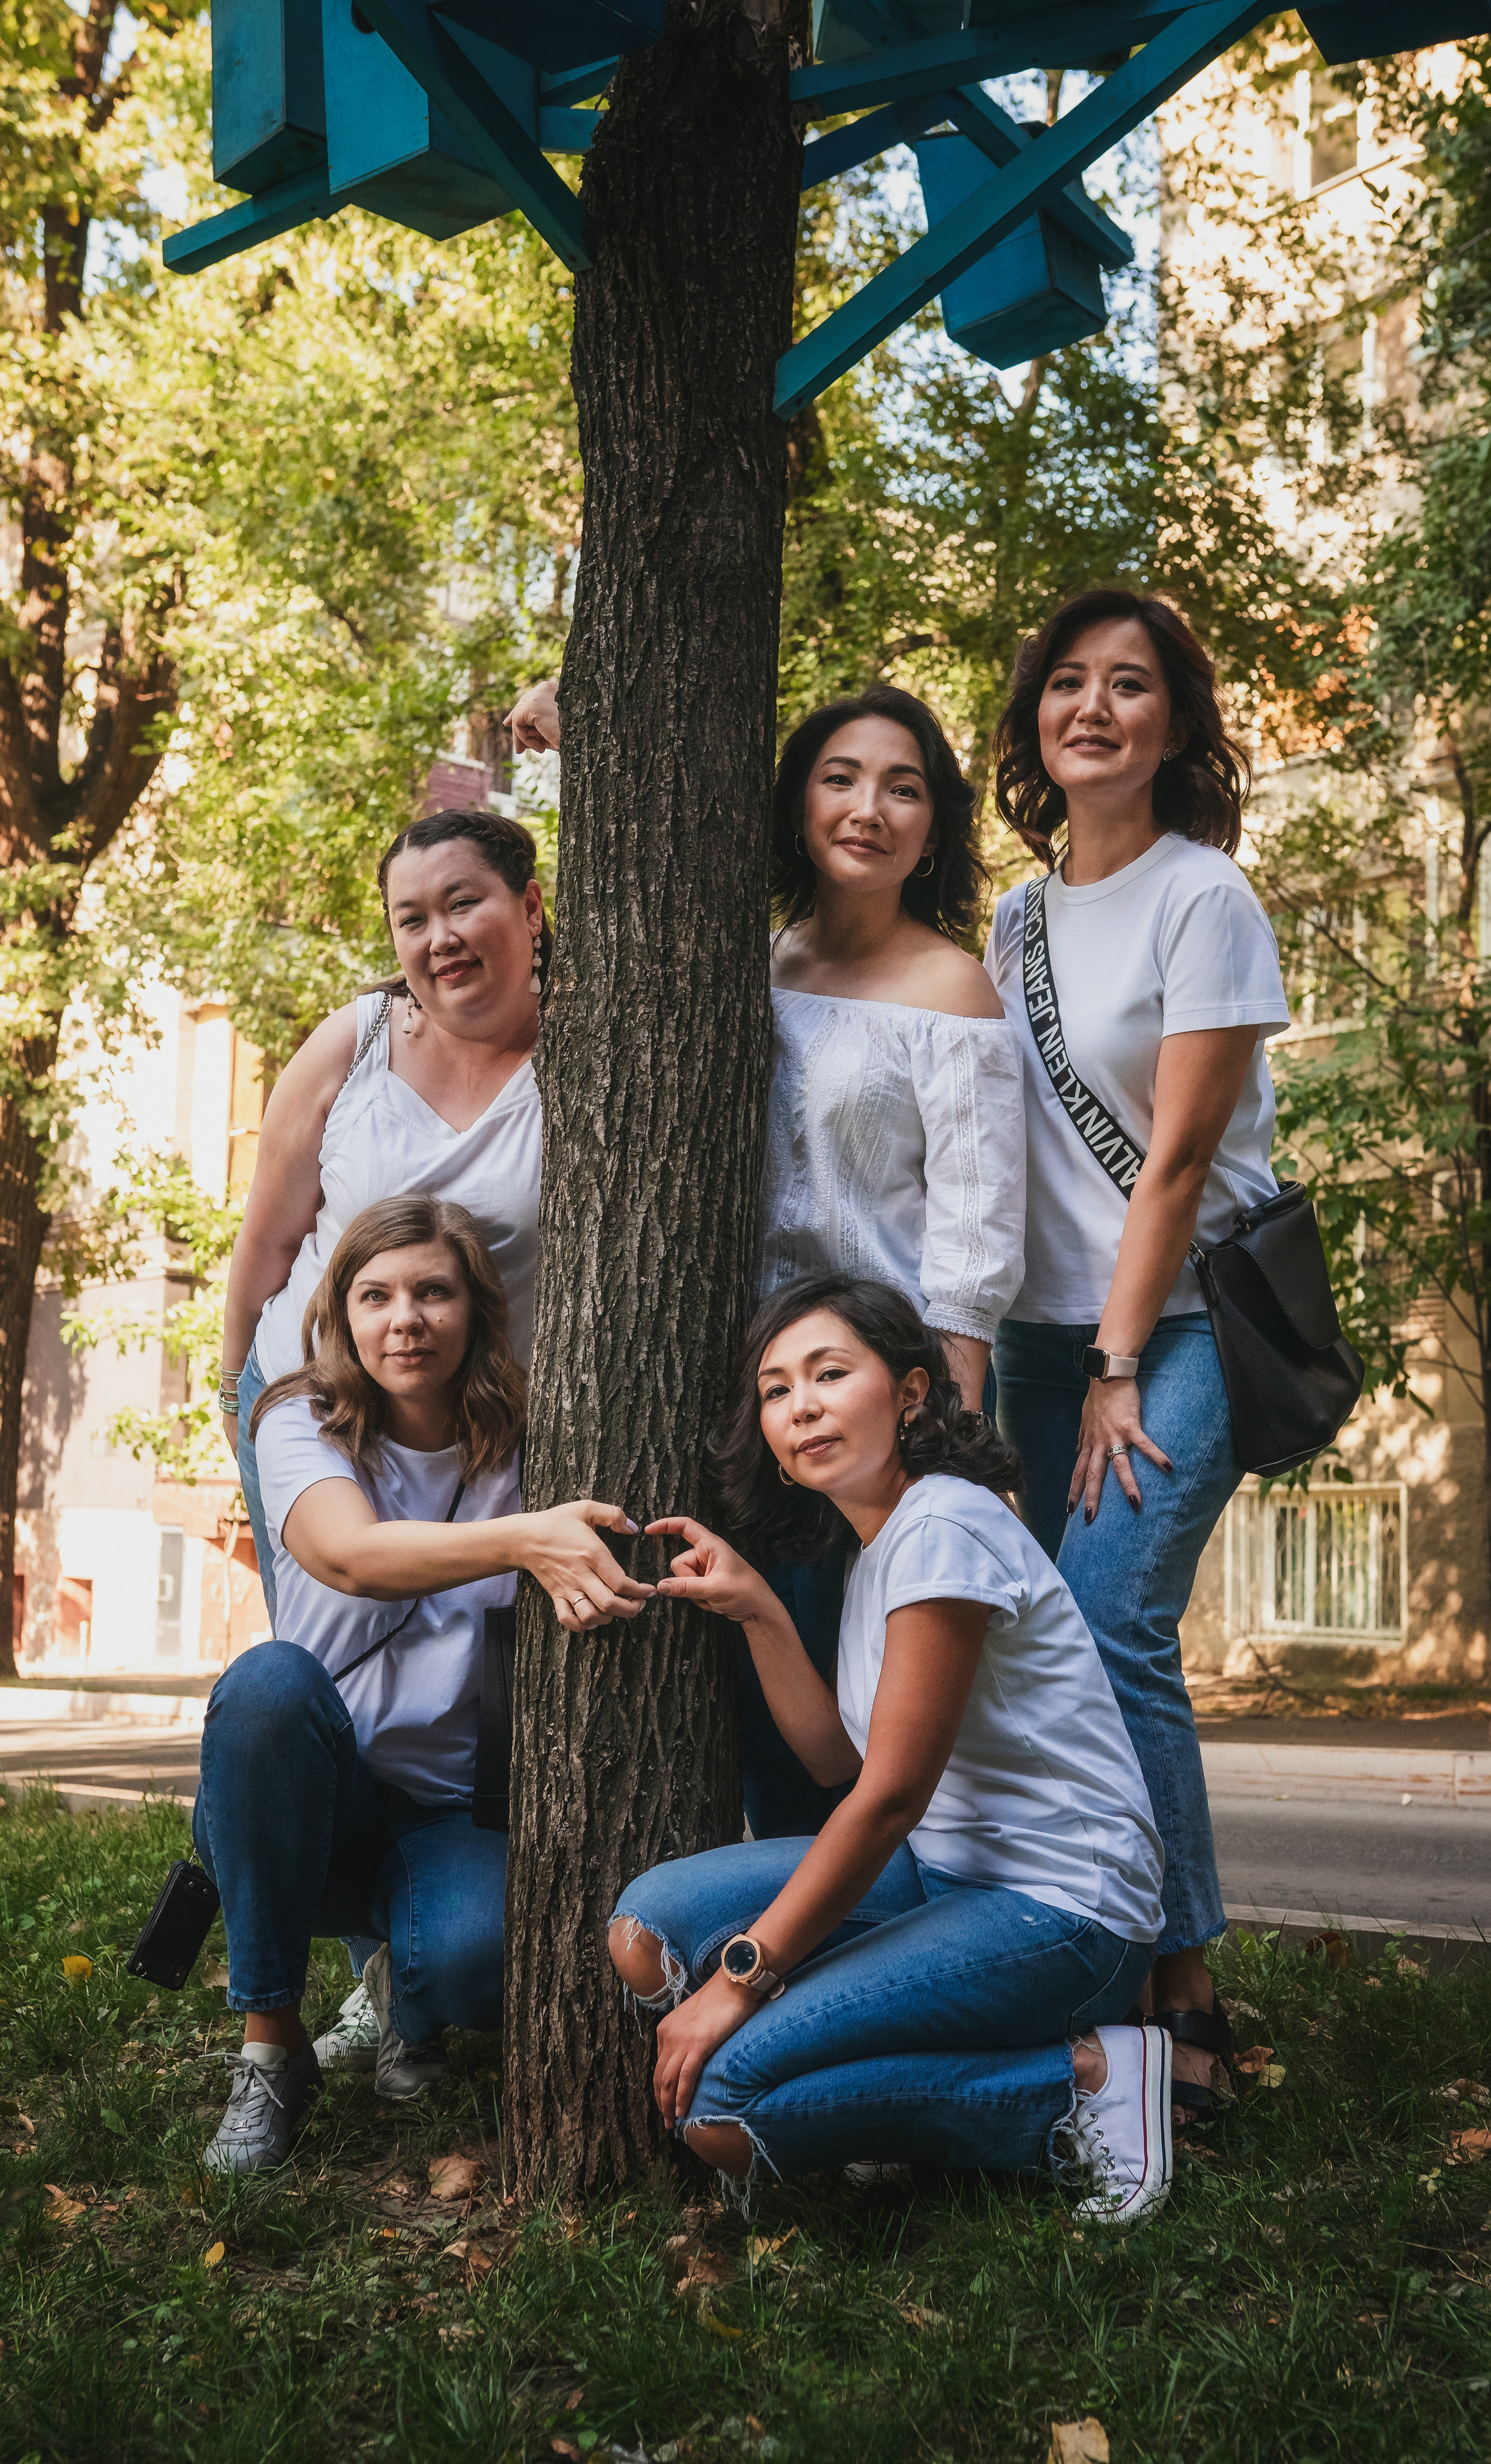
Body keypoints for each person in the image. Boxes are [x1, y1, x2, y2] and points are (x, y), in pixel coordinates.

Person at [508, 678, 1026, 1840]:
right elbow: (655, 848)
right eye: (840, 779)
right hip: (745, 1387)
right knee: (754, 1699)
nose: (869, 808)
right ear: (797, 804)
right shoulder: (753, 963)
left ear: (934, 827)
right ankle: (774, 1909)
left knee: (862, 1715)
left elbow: (975, 1241)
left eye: (904, 789)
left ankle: (848, 1925)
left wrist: (941, 1452)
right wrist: (587, 711)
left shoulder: (954, 989)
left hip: (875, 1402)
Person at [605, 1273, 1171, 2221]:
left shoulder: (945, 1524)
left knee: (725, 2111)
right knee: (647, 1931)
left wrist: (743, 1980)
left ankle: (1083, 2082)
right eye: (777, 1390)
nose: (801, 1405)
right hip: (946, 1877)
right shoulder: (880, 1548)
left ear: (910, 1393)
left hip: (1065, 1911)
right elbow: (838, 1762)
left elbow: (889, 1797)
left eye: (830, 1373)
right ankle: (885, 2084)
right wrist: (758, 1608)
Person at [983, 587, 1291, 2126]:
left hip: (1173, 1333)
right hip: (1033, 1337)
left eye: (1127, 685)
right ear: (1033, 716)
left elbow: (1172, 1163)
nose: (1091, 708)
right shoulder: (1014, 920)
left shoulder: (1203, 898)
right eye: (1066, 682)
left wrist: (1113, 1364)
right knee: (1042, 1653)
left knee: (1112, 1627)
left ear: (1174, 726)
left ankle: (1183, 1982)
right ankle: (1091, 1954)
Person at [195, 1195, 653, 2175]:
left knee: (478, 1962)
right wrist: (526, 1539)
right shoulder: (300, 1421)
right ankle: (272, 2050)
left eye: (434, 1293)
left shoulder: (535, 1440)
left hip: (452, 1813)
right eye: (377, 1296)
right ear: (343, 1315)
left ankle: (408, 1998)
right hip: (318, 1800)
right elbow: (351, 1555)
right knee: (269, 1684)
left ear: (477, 1307)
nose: (405, 1319)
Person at [220, 804, 546, 2069]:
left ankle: (405, 1959)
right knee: (308, 1672)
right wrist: (243, 1401)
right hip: (314, 1402)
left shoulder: (583, 1054)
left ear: (528, 907)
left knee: (441, 1668)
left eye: (463, 903)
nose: (438, 937)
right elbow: (266, 1237)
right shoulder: (353, 1042)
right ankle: (290, 2014)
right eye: (412, 917)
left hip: (480, 1413)